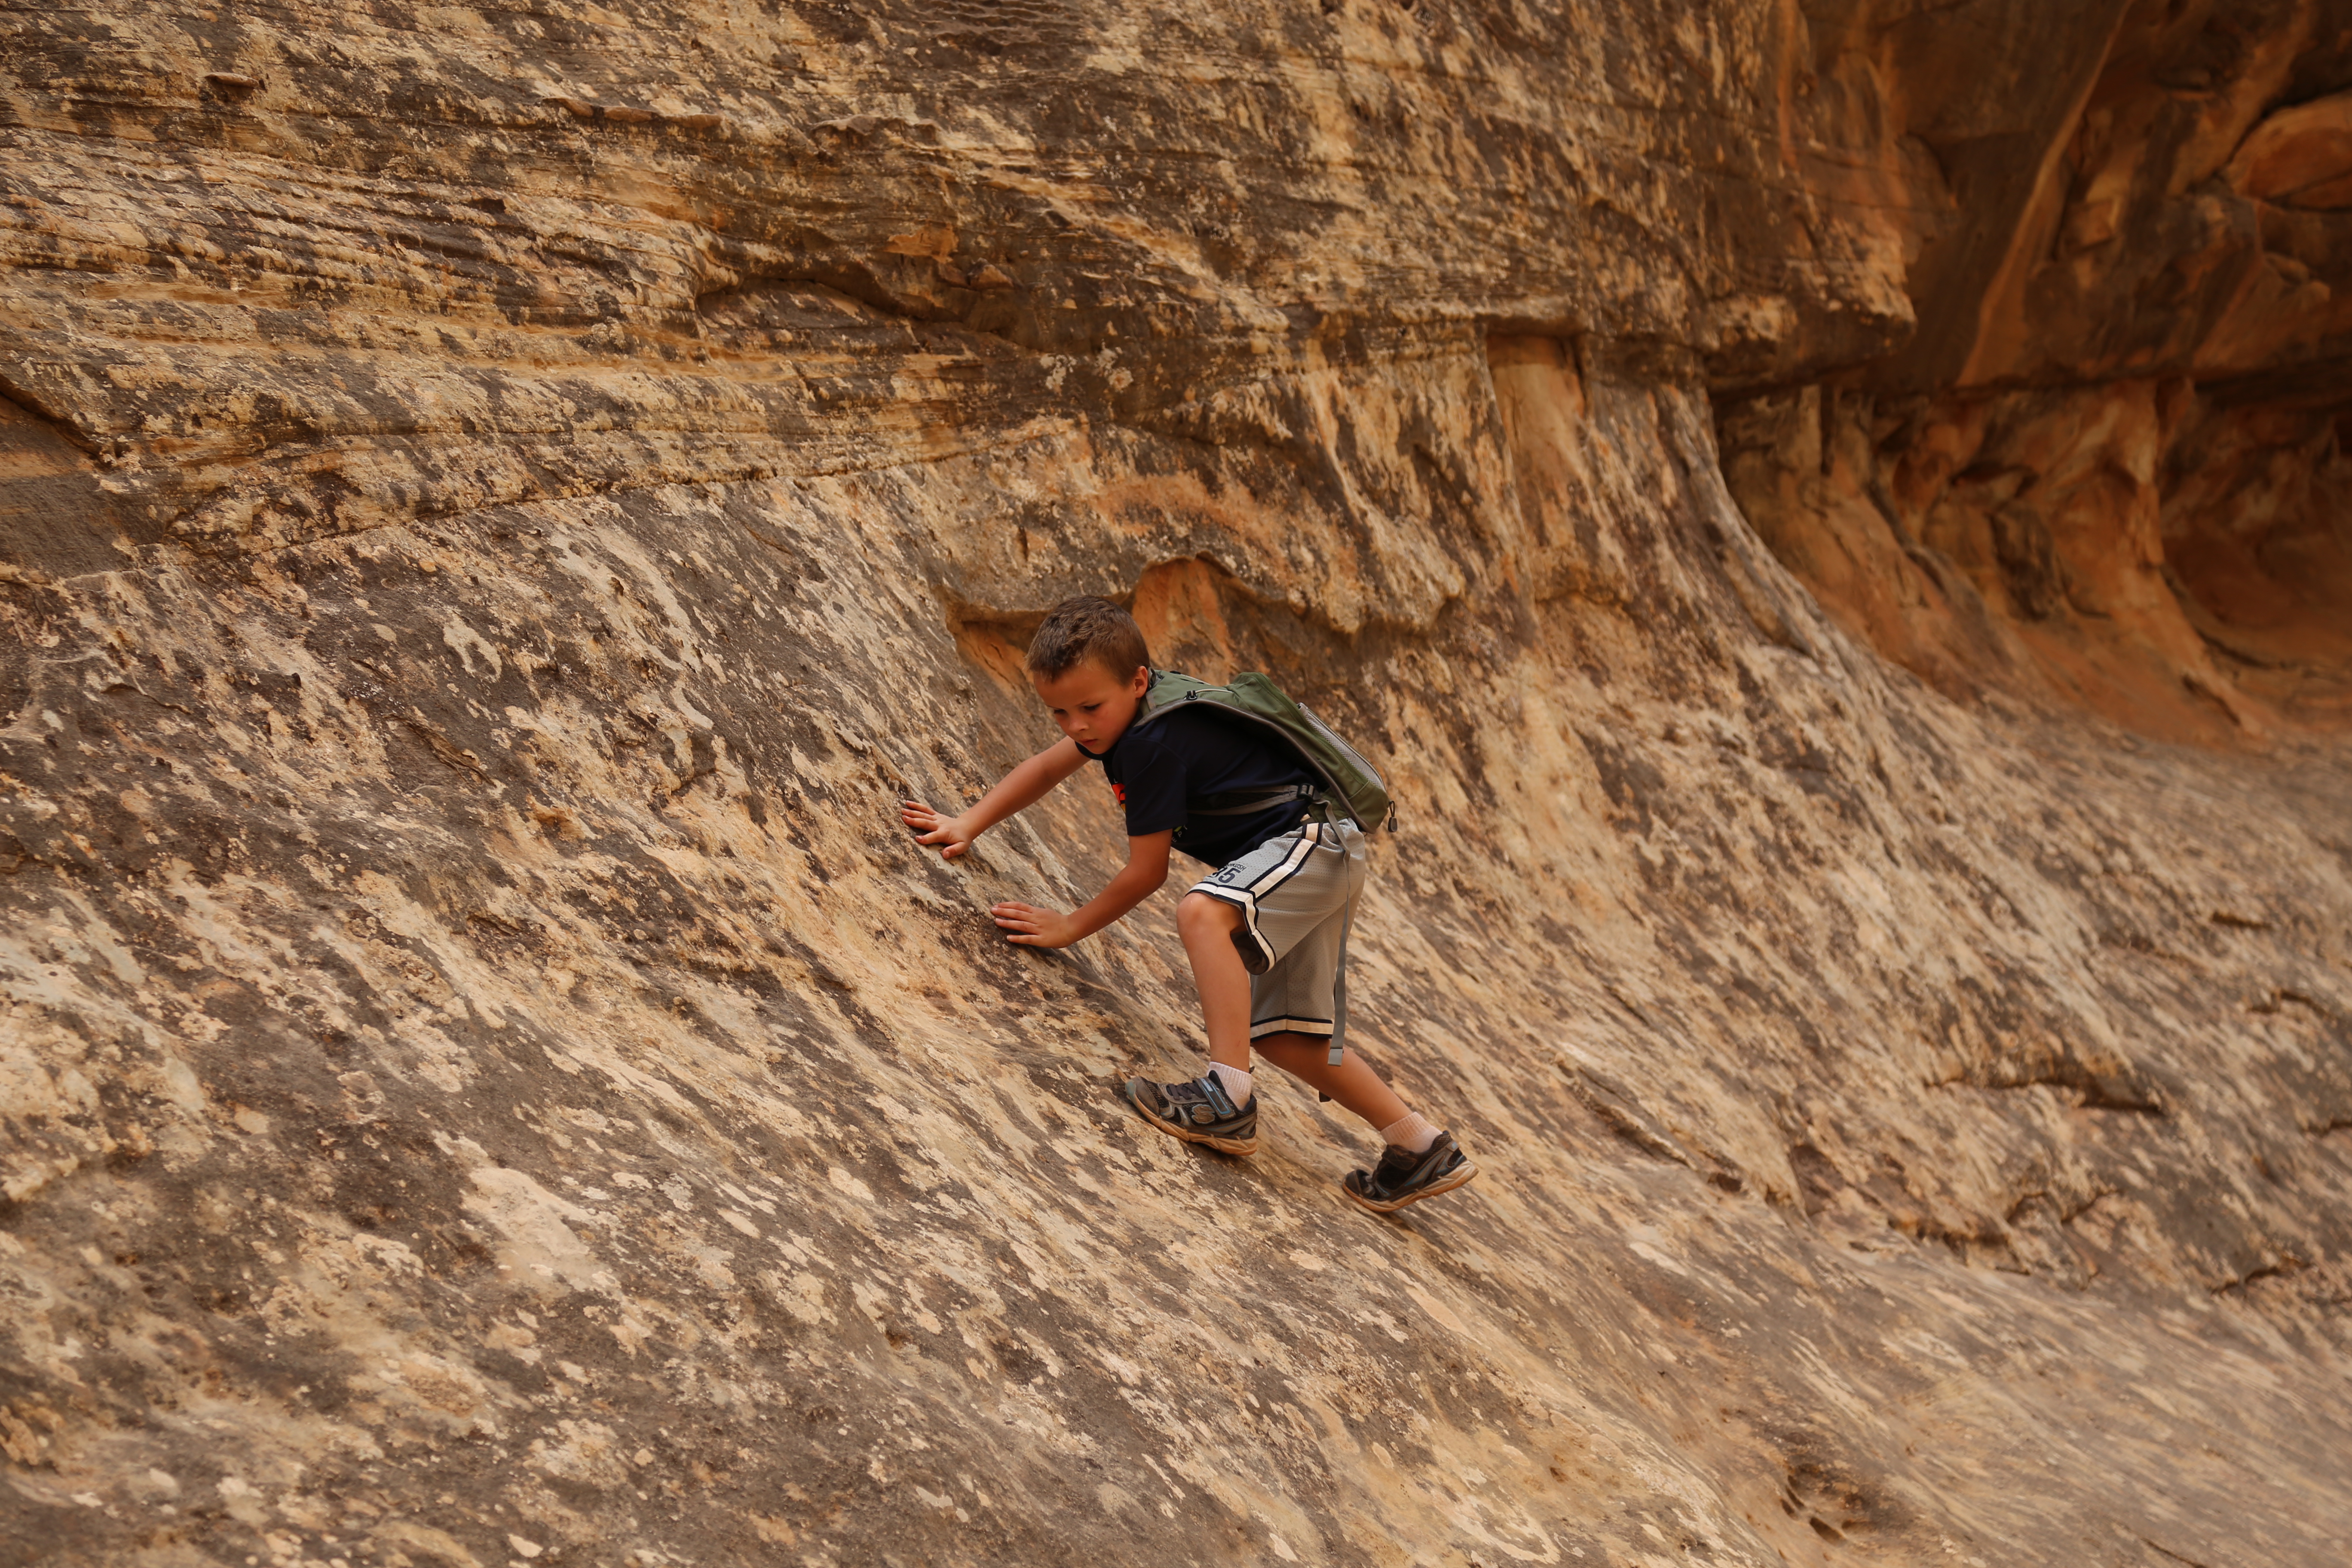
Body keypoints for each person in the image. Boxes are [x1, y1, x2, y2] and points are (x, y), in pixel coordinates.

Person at [899, 595, 1476, 1214]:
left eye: (1089, 707)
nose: (1077, 726)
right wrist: (970, 822)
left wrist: (1069, 927)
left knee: (1203, 911)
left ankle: (1226, 1099)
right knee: (1282, 1035)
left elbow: (1147, 873)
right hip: (1323, 852)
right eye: (1059, 711)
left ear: (1138, 681)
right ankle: (1417, 1146)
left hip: (1313, 842)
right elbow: (1048, 766)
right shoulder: (1125, 717)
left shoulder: (1152, 741)